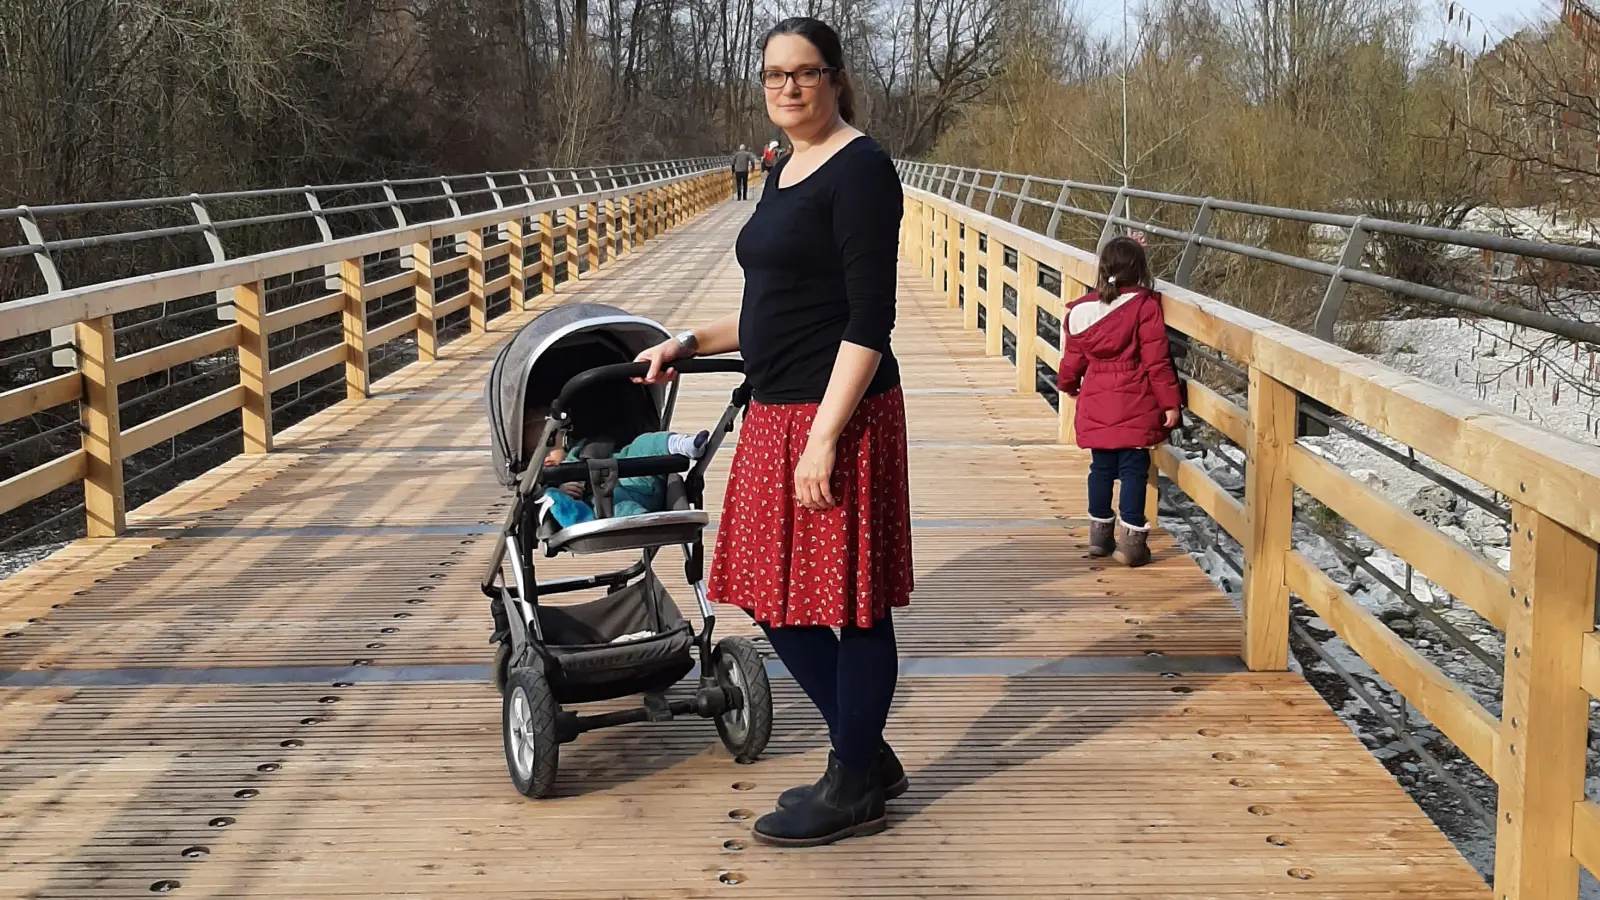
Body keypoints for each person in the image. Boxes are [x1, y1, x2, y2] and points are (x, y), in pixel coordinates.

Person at [633, 15, 911, 849]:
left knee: (855, 607)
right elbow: (772, 311)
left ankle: (853, 779)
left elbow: (870, 320)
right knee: (765, 589)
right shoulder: (785, 167)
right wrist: (687, 341)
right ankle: (865, 755)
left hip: (840, 415)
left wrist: (827, 435)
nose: (788, 87)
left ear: (836, 79)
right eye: (775, 75)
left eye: (805, 73)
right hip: (774, 409)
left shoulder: (862, 171)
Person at [1056, 235, 1182, 567]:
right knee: (1133, 470)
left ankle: (1099, 537)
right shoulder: (1144, 307)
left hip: (1097, 396)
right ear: (1140, 271)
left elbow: (1072, 360)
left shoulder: (1082, 311)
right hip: (1136, 399)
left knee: (1100, 468)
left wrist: (1068, 385)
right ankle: (1131, 544)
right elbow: (1157, 362)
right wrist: (1171, 403)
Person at [539, 430, 710, 528]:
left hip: (639, 476)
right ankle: (644, 522)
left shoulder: (582, 449)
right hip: (608, 502)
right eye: (536, 455)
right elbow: (550, 498)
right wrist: (563, 490)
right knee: (619, 507)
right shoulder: (549, 486)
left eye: (550, 448)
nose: (545, 457)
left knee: (644, 443)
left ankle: (686, 445)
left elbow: (610, 449)